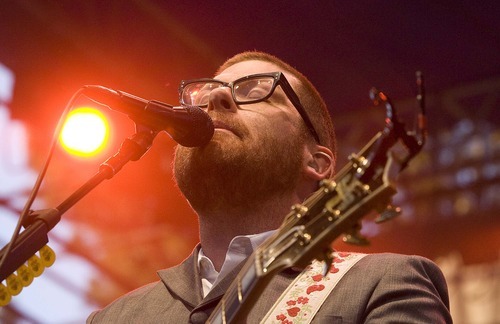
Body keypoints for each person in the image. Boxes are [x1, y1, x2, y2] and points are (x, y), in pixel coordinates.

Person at [87, 51, 452, 323]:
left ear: (317, 163)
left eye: (255, 90)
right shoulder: (113, 318)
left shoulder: (381, 284)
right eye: (204, 93)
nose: (216, 99)